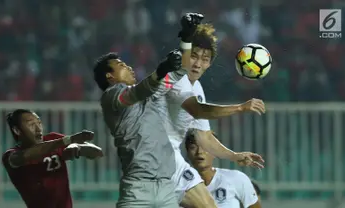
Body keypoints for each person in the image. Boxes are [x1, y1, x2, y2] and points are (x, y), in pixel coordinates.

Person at [93, 13, 204, 208]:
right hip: (137, 189)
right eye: (121, 65)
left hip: (167, 186)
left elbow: (180, 71)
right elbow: (134, 94)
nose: (128, 67)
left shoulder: (150, 92)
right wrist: (160, 71)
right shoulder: (111, 97)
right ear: (109, 76)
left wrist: (186, 39)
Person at [158, 23, 265, 207]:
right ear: (185, 56)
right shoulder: (176, 78)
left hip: (165, 158)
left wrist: (234, 156)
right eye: (194, 56)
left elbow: (203, 136)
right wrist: (240, 108)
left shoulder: (196, 87)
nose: (198, 64)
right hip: (159, 157)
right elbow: (198, 110)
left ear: (209, 63)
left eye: (205, 59)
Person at [2, 109, 104, 208]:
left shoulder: (53, 139)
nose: (38, 128)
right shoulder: (10, 155)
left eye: (39, 123)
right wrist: (68, 140)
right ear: (17, 130)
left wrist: (77, 147)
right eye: (31, 124)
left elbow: (97, 151)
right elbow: (27, 155)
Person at [185, 132, 262, 208]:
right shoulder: (180, 185)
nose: (199, 152)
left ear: (215, 152)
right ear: (187, 153)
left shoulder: (236, 178)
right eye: (193, 147)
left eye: (205, 147)